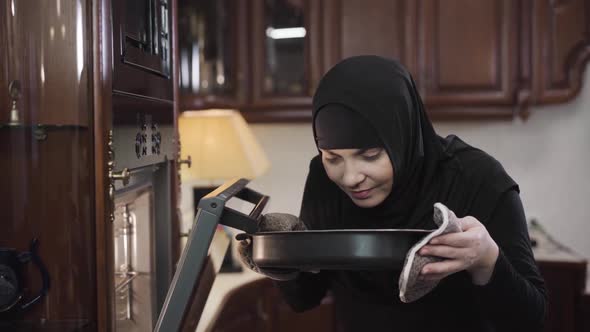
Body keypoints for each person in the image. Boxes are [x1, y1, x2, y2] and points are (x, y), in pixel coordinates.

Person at [240, 55, 547, 331]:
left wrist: (486, 260)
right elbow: (306, 298)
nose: (350, 178)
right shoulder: (324, 180)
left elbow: (531, 318)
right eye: (333, 157)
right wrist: (282, 258)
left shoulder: (478, 179)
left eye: (370, 155)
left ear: (403, 136)